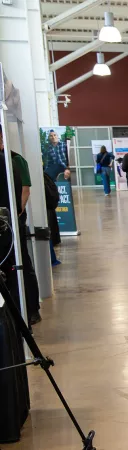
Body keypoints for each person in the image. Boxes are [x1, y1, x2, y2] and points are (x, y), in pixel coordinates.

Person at [0, 125, 40, 326]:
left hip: (14, 220)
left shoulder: (14, 159)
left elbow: (26, 188)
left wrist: (18, 211)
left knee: (22, 262)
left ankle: (32, 308)